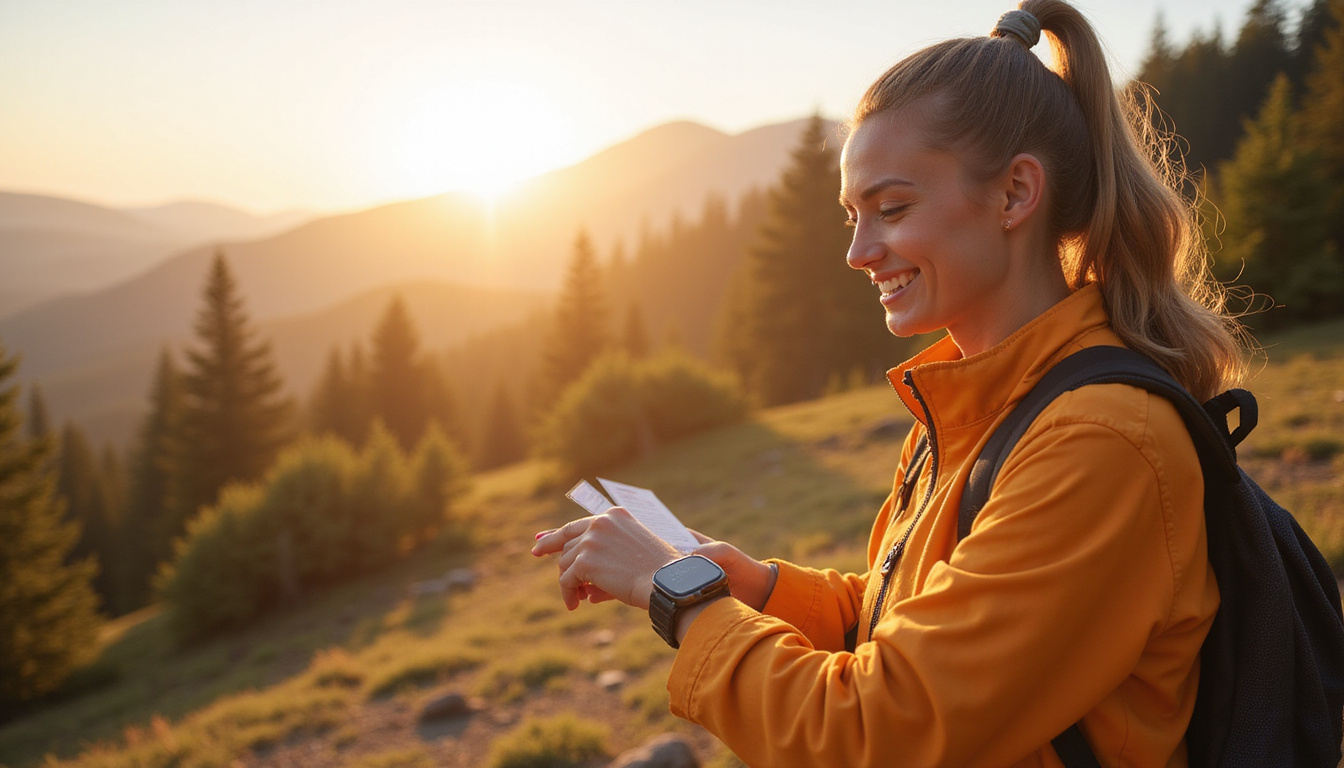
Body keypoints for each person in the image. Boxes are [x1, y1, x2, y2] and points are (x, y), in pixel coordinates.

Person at [531, 0, 1249, 764]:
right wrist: (757, 585)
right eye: (851, 216)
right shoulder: (980, 402)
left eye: (892, 208)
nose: (859, 252)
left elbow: (877, 734)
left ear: (1014, 195)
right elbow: (907, 625)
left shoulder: (1100, 443)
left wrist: (678, 594)